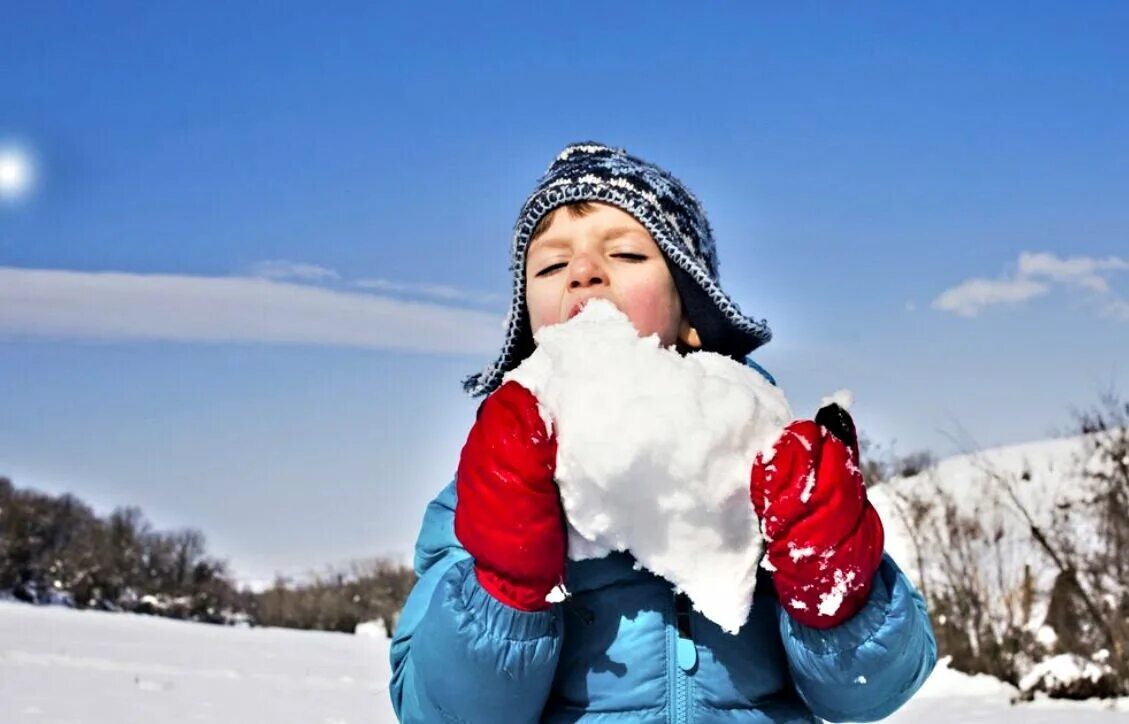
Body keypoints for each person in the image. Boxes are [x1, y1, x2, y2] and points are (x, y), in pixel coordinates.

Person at [389, 142, 936, 723]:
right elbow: (439, 714)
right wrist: (503, 586)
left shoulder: (760, 455)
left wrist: (835, 584)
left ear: (692, 313)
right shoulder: (487, 484)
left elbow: (870, 692)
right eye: (551, 265)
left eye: (625, 253)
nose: (583, 272)